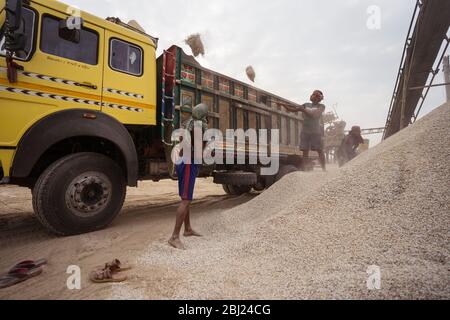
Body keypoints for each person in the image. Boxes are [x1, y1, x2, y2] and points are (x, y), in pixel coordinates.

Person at [169, 103, 209, 250]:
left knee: (187, 197)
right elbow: (199, 150)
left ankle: (187, 229)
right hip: (188, 163)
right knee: (185, 200)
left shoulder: (188, 123)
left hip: (184, 162)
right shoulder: (198, 127)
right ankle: (174, 237)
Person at [285, 90, 327, 171]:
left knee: (319, 150)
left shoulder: (321, 106)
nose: (312, 96)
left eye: (315, 95)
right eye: (312, 94)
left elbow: (314, 115)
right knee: (305, 151)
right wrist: (284, 106)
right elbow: (293, 109)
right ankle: (305, 169)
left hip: (315, 132)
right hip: (305, 131)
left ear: (319, 98)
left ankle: (324, 169)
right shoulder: (306, 104)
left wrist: (303, 110)